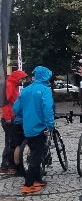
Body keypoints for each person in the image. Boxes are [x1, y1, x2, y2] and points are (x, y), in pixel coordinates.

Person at [12, 66, 55, 194]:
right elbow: (48, 108)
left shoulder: (26, 90)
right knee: (36, 156)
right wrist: (50, 124)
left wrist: (27, 113)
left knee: (35, 152)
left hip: (27, 127)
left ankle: (38, 179)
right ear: (46, 77)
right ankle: (28, 184)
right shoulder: (45, 90)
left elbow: (16, 108)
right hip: (40, 127)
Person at [1, 70, 27, 175]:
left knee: (12, 142)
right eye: (22, 79)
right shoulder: (9, 85)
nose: (23, 81)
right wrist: (8, 117)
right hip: (9, 118)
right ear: (17, 78)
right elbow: (4, 103)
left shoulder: (13, 85)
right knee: (10, 142)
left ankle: (10, 165)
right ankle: (6, 166)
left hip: (12, 117)